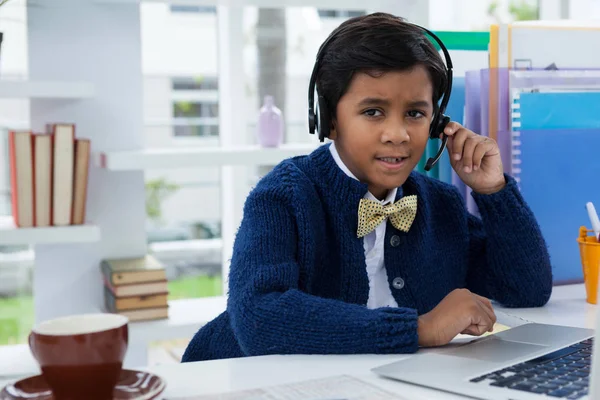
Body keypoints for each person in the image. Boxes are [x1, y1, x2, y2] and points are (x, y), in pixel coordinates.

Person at [182, 12, 552, 363]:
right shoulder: (284, 196)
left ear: (437, 122)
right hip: (239, 382)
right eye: (373, 112)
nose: (398, 134)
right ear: (328, 120)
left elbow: (526, 288)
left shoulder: (440, 204)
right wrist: (420, 328)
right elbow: (259, 317)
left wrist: (494, 191)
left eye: (416, 113)